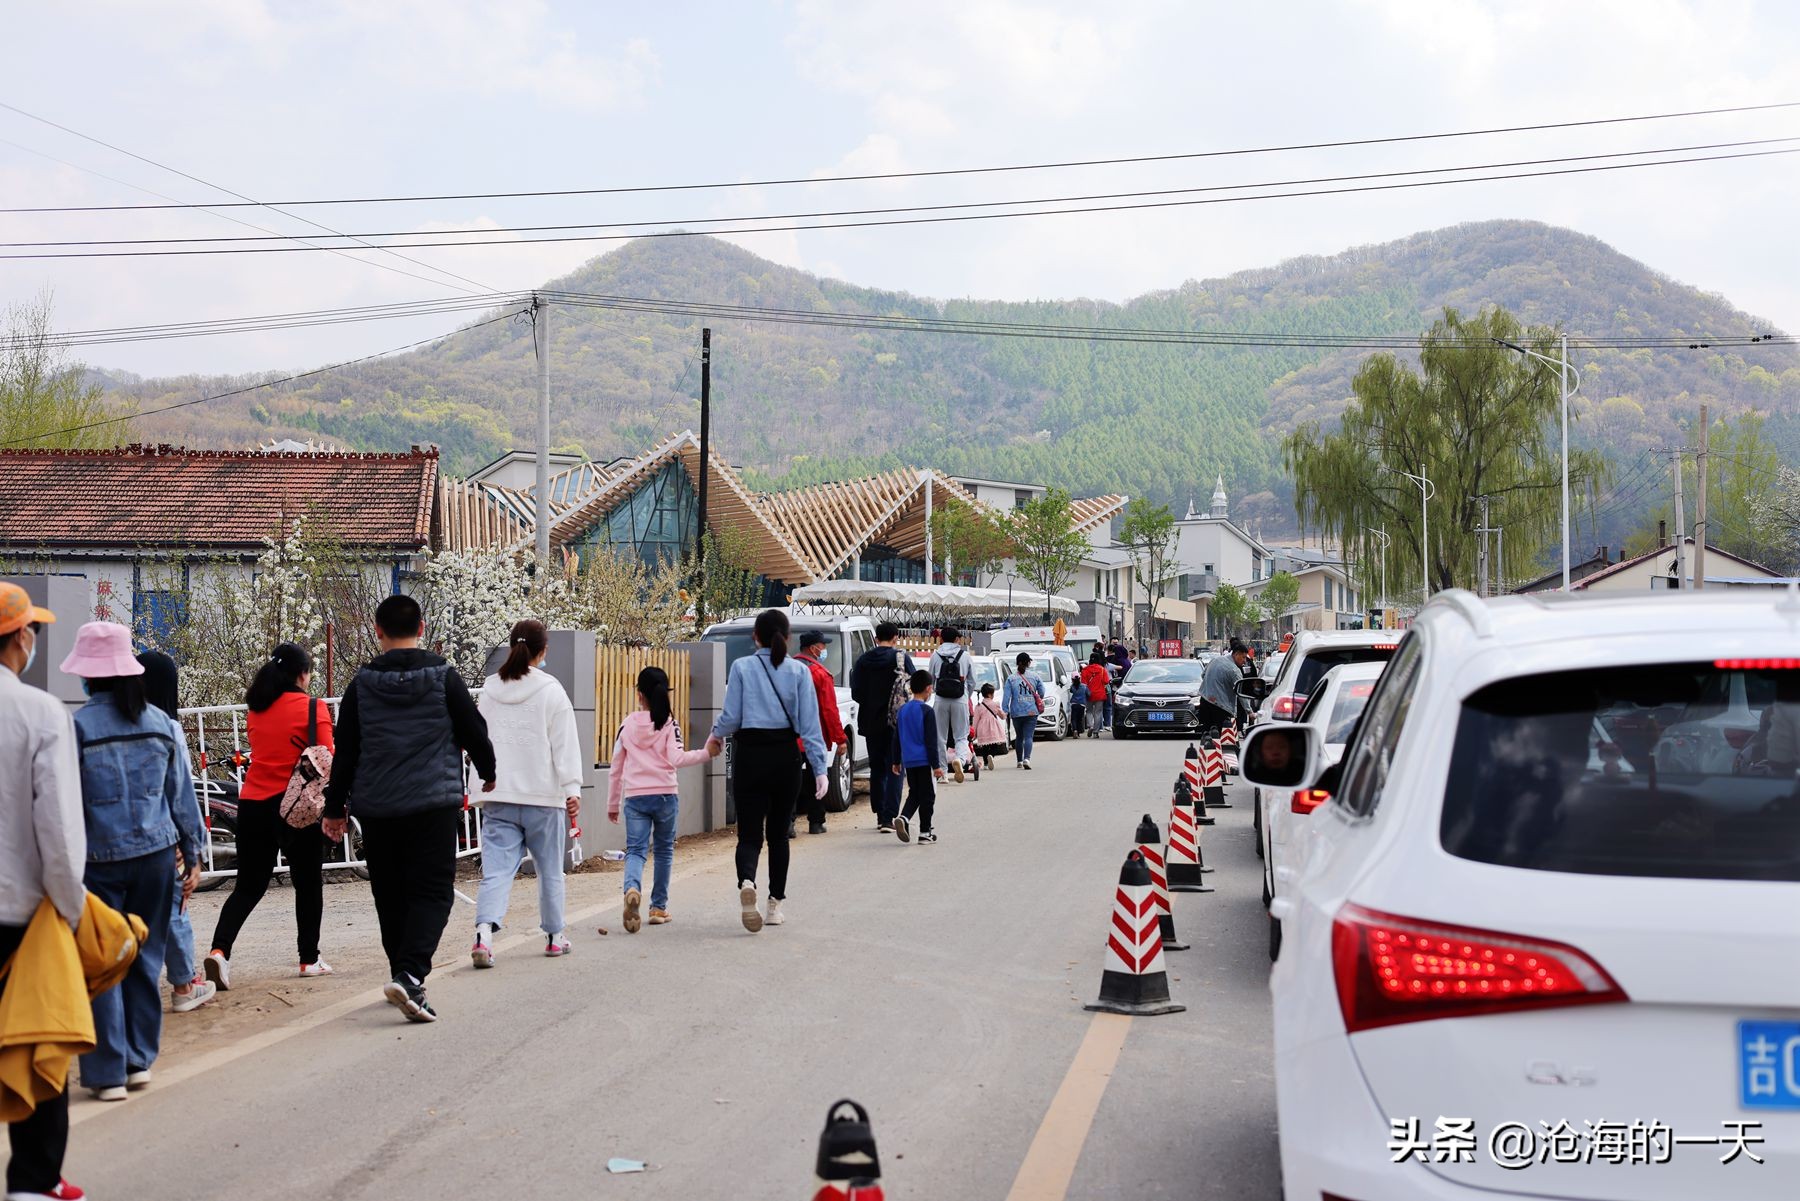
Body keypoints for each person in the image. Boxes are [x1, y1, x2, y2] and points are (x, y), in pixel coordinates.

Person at [323, 595, 495, 1024]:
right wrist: (488, 772)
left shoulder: (360, 685)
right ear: (422, 626)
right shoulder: (443, 677)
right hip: (432, 804)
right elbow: (474, 730)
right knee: (433, 891)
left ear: (377, 631)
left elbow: (345, 752)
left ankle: (401, 970)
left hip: (379, 808)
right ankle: (411, 972)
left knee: (391, 893)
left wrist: (334, 807)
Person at [63, 621, 203, 1101]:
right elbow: (181, 796)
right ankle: (140, 1061)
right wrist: (196, 854)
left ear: (87, 677)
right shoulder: (160, 725)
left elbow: (64, 805)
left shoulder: (76, 729)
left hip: (96, 863)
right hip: (157, 859)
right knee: (145, 958)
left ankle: (106, 1074)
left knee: (102, 961)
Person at [0, 585, 87, 1200]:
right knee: (36, 1041)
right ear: (21, 638)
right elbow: (56, 826)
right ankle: (34, 1182)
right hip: (20, 913)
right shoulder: (38, 712)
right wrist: (73, 907)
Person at [202, 642, 334, 992]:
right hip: (296, 806)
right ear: (302, 674)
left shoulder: (257, 709)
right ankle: (309, 958)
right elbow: (325, 757)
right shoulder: (313, 707)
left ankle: (220, 951)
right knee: (307, 883)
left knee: (248, 886)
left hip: (254, 804)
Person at [706, 609, 826, 933]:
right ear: (786, 638)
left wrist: (715, 736)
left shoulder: (742, 667)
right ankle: (775, 906)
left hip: (749, 755)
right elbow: (810, 726)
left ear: (754, 637)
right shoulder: (799, 673)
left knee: (749, 833)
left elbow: (731, 717)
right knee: (779, 835)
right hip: (785, 756)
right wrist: (820, 769)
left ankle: (747, 880)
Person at [472, 619, 583, 966]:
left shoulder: (489, 691)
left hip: (499, 795)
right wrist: (572, 787)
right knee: (550, 870)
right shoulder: (552, 691)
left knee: (497, 872)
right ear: (543, 651)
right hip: (542, 797)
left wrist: (478, 786)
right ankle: (554, 936)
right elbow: (564, 745)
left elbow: (478, 740)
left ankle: (483, 936)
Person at [136, 650, 215, 1015]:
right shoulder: (167, 728)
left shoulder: (110, 723)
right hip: (162, 834)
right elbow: (180, 789)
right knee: (174, 908)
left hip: (117, 838)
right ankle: (184, 984)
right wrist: (191, 845)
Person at [609, 666, 715, 934]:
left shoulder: (627, 724)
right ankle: (658, 908)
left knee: (635, 850)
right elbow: (677, 759)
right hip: (666, 795)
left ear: (639, 694)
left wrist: (612, 804)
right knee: (664, 851)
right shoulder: (669, 723)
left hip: (635, 797)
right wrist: (706, 753)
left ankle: (632, 888)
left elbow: (616, 767)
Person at [849, 622, 913, 833]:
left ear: (876, 638)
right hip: (897, 722)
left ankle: (879, 814)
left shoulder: (863, 660)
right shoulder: (901, 659)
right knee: (895, 767)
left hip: (870, 722)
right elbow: (913, 689)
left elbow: (855, 693)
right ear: (895, 637)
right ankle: (889, 817)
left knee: (877, 768)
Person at [793, 631, 848, 836]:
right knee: (817, 776)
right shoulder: (819, 673)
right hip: (813, 736)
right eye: (822, 646)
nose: (824, 649)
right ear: (813, 648)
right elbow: (829, 710)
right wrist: (840, 739)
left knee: (791, 780)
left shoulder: (785, 669)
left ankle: (788, 823)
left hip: (788, 736)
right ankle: (816, 822)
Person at [890, 671, 946, 843]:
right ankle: (924, 832)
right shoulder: (927, 711)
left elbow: (897, 737)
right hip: (924, 760)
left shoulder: (903, 710)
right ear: (928, 688)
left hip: (909, 760)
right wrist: (936, 765)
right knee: (928, 795)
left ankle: (904, 817)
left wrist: (896, 760)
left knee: (915, 792)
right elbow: (931, 741)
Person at [927, 628, 972, 784]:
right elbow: (972, 681)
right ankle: (960, 759)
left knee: (940, 737)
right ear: (957, 640)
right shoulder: (965, 656)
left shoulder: (935, 656)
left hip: (940, 699)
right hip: (960, 699)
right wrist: (966, 696)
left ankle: (943, 773)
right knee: (961, 735)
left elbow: (931, 679)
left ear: (940, 639)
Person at [1002, 652, 1044, 770]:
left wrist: (1005, 710)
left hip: (1017, 712)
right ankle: (1027, 759)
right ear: (1028, 663)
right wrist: (1036, 698)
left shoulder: (1011, 679)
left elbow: (1006, 697)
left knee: (1019, 737)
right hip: (1031, 711)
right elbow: (1042, 691)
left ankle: (1019, 761)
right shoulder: (1035, 676)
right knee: (1029, 736)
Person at [1199, 638, 1250, 734]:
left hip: (1205, 700)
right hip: (1221, 707)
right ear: (1236, 654)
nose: (1244, 661)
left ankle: (1207, 747)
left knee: (1206, 733)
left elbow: (1203, 675)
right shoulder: (1234, 670)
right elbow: (1241, 693)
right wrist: (1249, 712)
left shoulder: (1215, 660)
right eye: (1243, 657)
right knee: (1220, 736)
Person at [970, 682, 1010, 772]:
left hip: (982, 728)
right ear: (989, 694)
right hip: (993, 728)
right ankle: (991, 756)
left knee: (984, 747)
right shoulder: (995, 704)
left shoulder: (978, 706)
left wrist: (974, 733)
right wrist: (1006, 713)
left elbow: (975, 721)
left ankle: (986, 764)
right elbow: (1002, 716)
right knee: (995, 744)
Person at [1081, 652, 1113, 740]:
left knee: (1089, 711)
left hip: (1088, 694)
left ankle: (1090, 726)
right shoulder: (1102, 670)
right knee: (1098, 713)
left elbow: (1083, 683)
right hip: (1100, 694)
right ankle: (1095, 732)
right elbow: (1106, 681)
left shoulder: (1085, 670)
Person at [1068, 672, 1088, 737]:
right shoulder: (1084, 686)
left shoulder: (1072, 687)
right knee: (1079, 719)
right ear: (1080, 678)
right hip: (1082, 705)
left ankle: (1075, 730)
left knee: (1073, 718)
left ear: (1072, 680)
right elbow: (1089, 694)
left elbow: (1071, 691)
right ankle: (1078, 732)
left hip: (1074, 704)